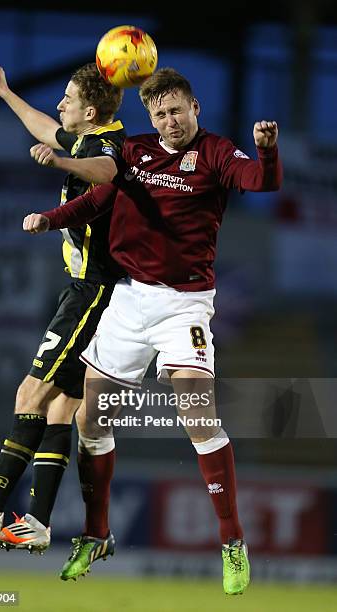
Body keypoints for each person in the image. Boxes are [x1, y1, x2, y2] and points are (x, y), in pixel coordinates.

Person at [23, 67, 282, 594]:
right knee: (90, 422)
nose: (169, 121)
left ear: (195, 109)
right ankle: (96, 535)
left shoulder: (215, 153)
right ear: (150, 116)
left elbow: (262, 181)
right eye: (160, 113)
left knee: (195, 413)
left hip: (184, 306)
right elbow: (99, 197)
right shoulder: (136, 152)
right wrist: (52, 218)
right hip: (129, 300)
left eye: (177, 111)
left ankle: (231, 540)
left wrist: (267, 151)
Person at [0, 60, 126, 554]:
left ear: (89, 111)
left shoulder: (104, 147)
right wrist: (5, 92)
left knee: (30, 392)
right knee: (58, 407)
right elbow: (44, 126)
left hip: (90, 291)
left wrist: (61, 163)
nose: (59, 104)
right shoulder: (92, 134)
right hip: (94, 290)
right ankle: (38, 521)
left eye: (67, 98)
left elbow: (108, 172)